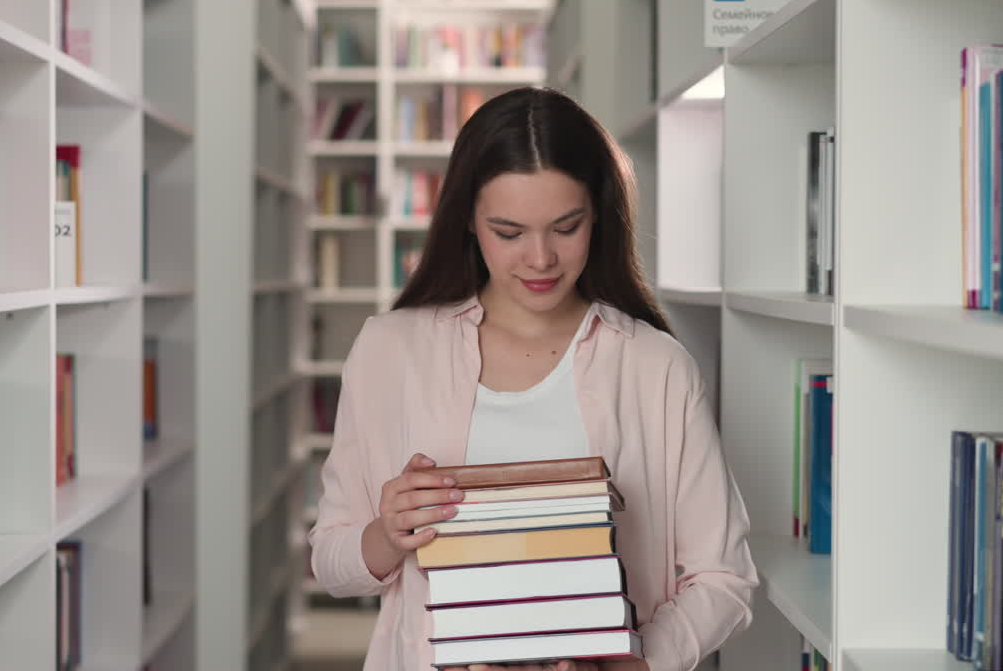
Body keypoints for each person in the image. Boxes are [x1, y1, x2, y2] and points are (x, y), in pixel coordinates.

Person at [307, 86, 758, 671]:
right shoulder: (388, 352)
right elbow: (331, 562)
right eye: (510, 232)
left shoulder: (656, 367)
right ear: (468, 220)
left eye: (565, 227)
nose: (540, 259)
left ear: (598, 213)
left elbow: (725, 577)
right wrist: (387, 534)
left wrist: (639, 661)